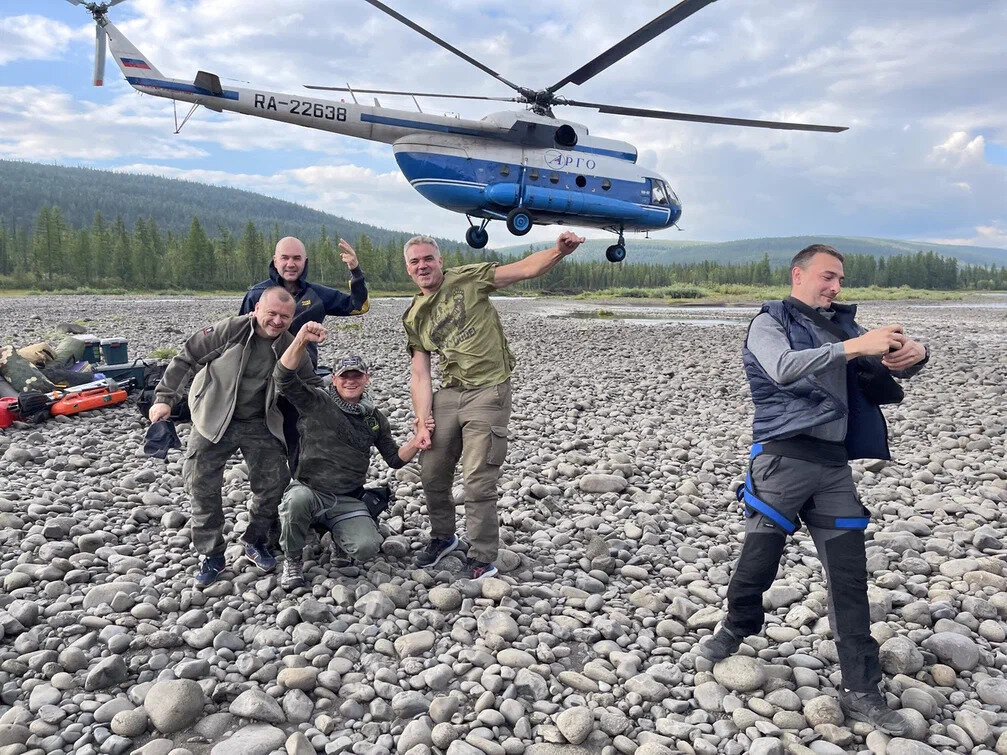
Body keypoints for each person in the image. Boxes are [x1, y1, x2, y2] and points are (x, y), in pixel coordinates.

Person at [700, 244, 929, 735]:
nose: (835, 287)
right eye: (827, 277)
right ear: (798, 274)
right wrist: (854, 347)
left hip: (833, 467)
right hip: (782, 459)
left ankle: (862, 689)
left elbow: (884, 369)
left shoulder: (844, 326)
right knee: (758, 559)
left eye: (840, 280)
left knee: (849, 576)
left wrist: (914, 356)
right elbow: (782, 367)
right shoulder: (769, 321)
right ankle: (739, 624)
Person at [404, 231, 584, 580]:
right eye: (415, 261)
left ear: (440, 261)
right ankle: (443, 537)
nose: (423, 265)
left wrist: (558, 251)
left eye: (428, 258)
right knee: (431, 472)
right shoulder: (413, 315)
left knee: (476, 480)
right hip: (449, 393)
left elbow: (523, 270)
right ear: (408, 269)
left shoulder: (469, 279)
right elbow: (420, 372)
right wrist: (421, 420)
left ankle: (482, 555)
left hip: (488, 392)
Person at [149, 286, 320, 587]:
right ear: (255, 310)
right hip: (213, 417)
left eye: (285, 316)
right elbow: (186, 356)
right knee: (201, 485)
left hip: (259, 421)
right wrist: (164, 397)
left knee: (274, 484)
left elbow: (310, 383)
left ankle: (256, 539)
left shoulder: (291, 346)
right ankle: (211, 554)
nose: (277, 321)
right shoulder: (229, 331)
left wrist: (342, 401)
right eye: (272, 314)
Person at [272, 323, 430, 590]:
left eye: (356, 376)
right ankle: (293, 559)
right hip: (310, 490)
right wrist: (300, 340)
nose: (350, 381)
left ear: (366, 378)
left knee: (367, 547)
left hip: (347, 497)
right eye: (344, 376)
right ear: (334, 379)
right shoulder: (316, 402)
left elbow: (394, 459)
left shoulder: (374, 419)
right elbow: (283, 378)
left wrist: (416, 441)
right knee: (296, 500)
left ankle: (337, 538)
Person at [240, 236, 369, 365]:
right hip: (262, 370)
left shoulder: (317, 295)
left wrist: (356, 271)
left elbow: (358, 306)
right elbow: (240, 337)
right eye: (284, 258)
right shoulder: (256, 294)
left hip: (303, 372)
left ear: (305, 261)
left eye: (297, 258)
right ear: (275, 261)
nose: (290, 264)